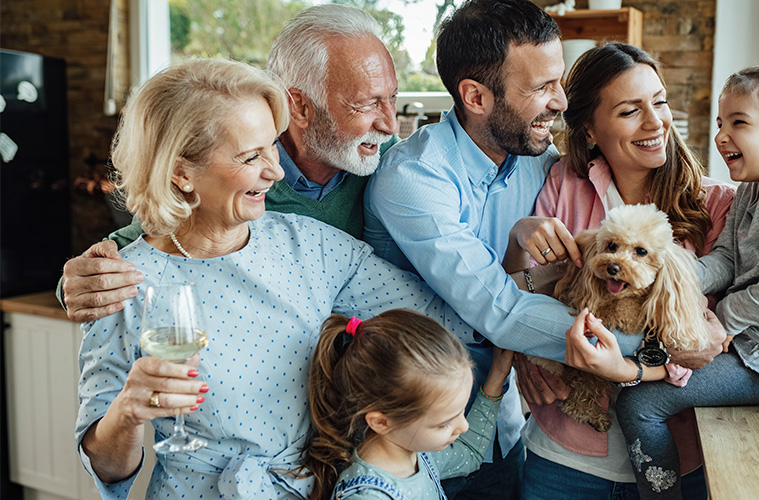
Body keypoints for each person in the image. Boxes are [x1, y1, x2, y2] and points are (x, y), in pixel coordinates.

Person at [75, 58, 469, 500]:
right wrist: (128, 412)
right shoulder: (118, 282)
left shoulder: (310, 245)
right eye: (250, 157)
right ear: (181, 174)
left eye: (272, 147)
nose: (276, 171)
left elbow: (447, 314)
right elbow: (106, 468)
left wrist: (529, 279)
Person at [363, 2, 654, 497]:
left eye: (558, 82)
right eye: (541, 88)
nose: (560, 102)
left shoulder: (542, 165)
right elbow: (501, 310)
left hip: (506, 427)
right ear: (475, 96)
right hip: (415, 445)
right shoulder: (413, 178)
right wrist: (649, 352)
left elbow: (565, 278)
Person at [59, 3, 399, 322]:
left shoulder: (390, 161)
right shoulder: (235, 184)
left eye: (393, 98)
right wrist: (78, 283)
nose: (390, 125)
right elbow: (144, 244)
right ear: (299, 107)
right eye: (365, 105)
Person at [505, 42, 733, 500]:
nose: (655, 122)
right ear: (589, 129)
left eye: (660, 102)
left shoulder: (717, 205)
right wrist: (520, 350)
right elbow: (517, 299)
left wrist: (628, 368)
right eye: (631, 111)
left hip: (680, 455)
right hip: (563, 459)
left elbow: (716, 343)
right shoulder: (561, 187)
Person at [611, 62, 759, 499]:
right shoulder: (756, 185)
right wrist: (673, 276)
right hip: (756, 352)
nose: (721, 136)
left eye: (739, 123)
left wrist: (726, 318)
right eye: (720, 123)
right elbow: (728, 259)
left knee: (640, 402)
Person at [295, 310, 514, 500]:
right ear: (382, 422)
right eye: (444, 423)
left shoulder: (414, 450)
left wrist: (496, 377)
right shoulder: (370, 495)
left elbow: (468, 453)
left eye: (460, 413)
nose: (463, 427)